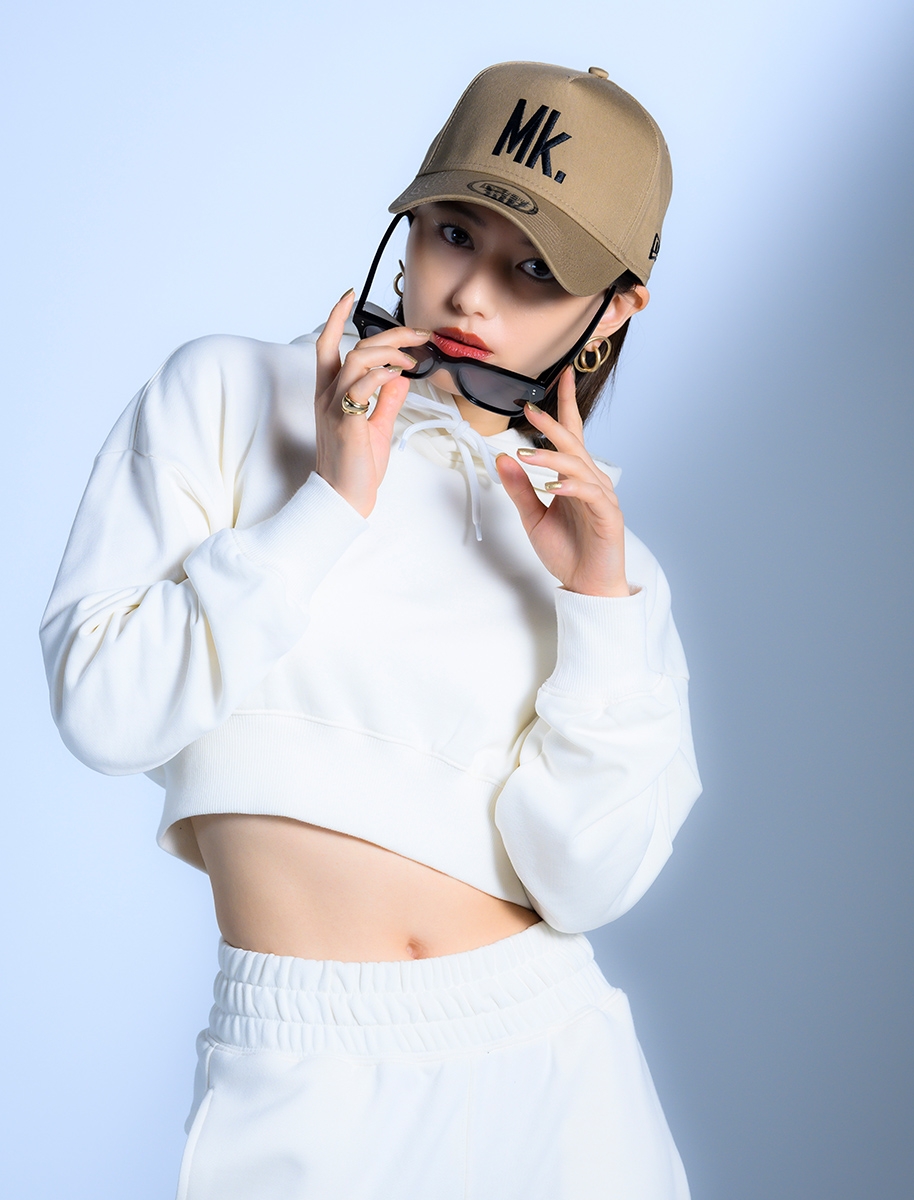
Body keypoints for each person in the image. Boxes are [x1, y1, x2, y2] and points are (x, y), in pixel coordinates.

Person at [41, 61, 702, 1200]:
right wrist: (328, 503)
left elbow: (585, 884)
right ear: (411, 221)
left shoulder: (601, 556)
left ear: (612, 312)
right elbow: (104, 712)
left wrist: (600, 607)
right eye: (454, 233)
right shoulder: (226, 395)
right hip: (300, 1065)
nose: (471, 296)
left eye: (535, 271)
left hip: (553, 1077)